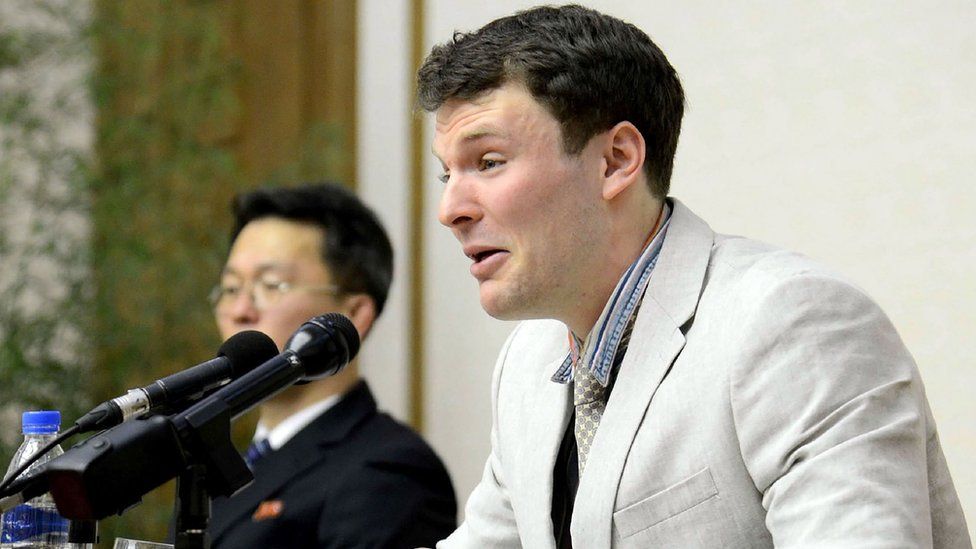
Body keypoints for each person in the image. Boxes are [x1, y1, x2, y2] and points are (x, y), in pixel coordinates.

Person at [417, 5, 970, 548]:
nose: (450, 209)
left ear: (615, 160)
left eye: (488, 162)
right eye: (448, 173)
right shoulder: (529, 362)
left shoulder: (791, 324)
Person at [206, 183, 456, 548]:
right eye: (230, 288)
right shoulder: (224, 467)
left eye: (271, 285)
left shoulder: (388, 470)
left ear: (352, 315)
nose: (240, 310)